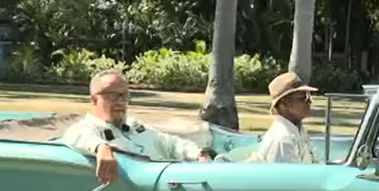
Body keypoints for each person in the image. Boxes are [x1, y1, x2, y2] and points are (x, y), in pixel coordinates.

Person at [60, 68, 215, 184]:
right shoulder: (88, 129)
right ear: (94, 99)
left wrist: (198, 153)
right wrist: (101, 147)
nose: (120, 101)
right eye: (113, 95)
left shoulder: (134, 126)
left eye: (124, 95)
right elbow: (75, 135)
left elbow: (170, 143)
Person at [250, 71, 320, 164]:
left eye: (309, 96)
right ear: (285, 104)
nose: (309, 101)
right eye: (303, 97)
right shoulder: (282, 139)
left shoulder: (298, 130)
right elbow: (289, 178)